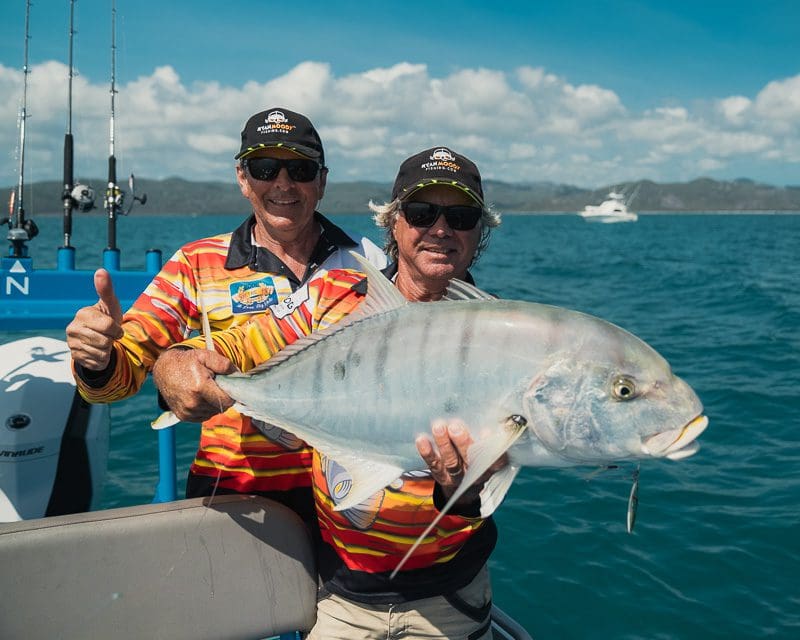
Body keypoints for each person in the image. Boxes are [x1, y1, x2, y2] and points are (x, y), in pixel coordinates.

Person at [153, 146, 503, 640]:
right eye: (423, 213)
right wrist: (178, 364)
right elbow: (240, 344)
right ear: (395, 223)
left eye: (461, 216)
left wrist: (459, 488)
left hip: (448, 597)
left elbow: (488, 485)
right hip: (339, 595)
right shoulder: (335, 294)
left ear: (479, 232)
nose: (441, 229)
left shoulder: (500, 336)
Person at [65, 107, 387, 524]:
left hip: (352, 500)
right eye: (265, 167)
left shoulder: (369, 262)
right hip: (239, 502)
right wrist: (98, 359)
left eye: (300, 169)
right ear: (242, 178)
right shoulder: (195, 263)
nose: (283, 183)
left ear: (322, 181)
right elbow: (119, 378)